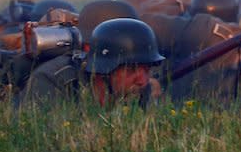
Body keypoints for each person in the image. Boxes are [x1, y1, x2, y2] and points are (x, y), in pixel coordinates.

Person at [24, 17, 163, 106]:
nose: (143, 80)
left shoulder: (140, 90)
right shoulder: (53, 81)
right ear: (105, 70)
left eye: (147, 69)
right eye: (131, 70)